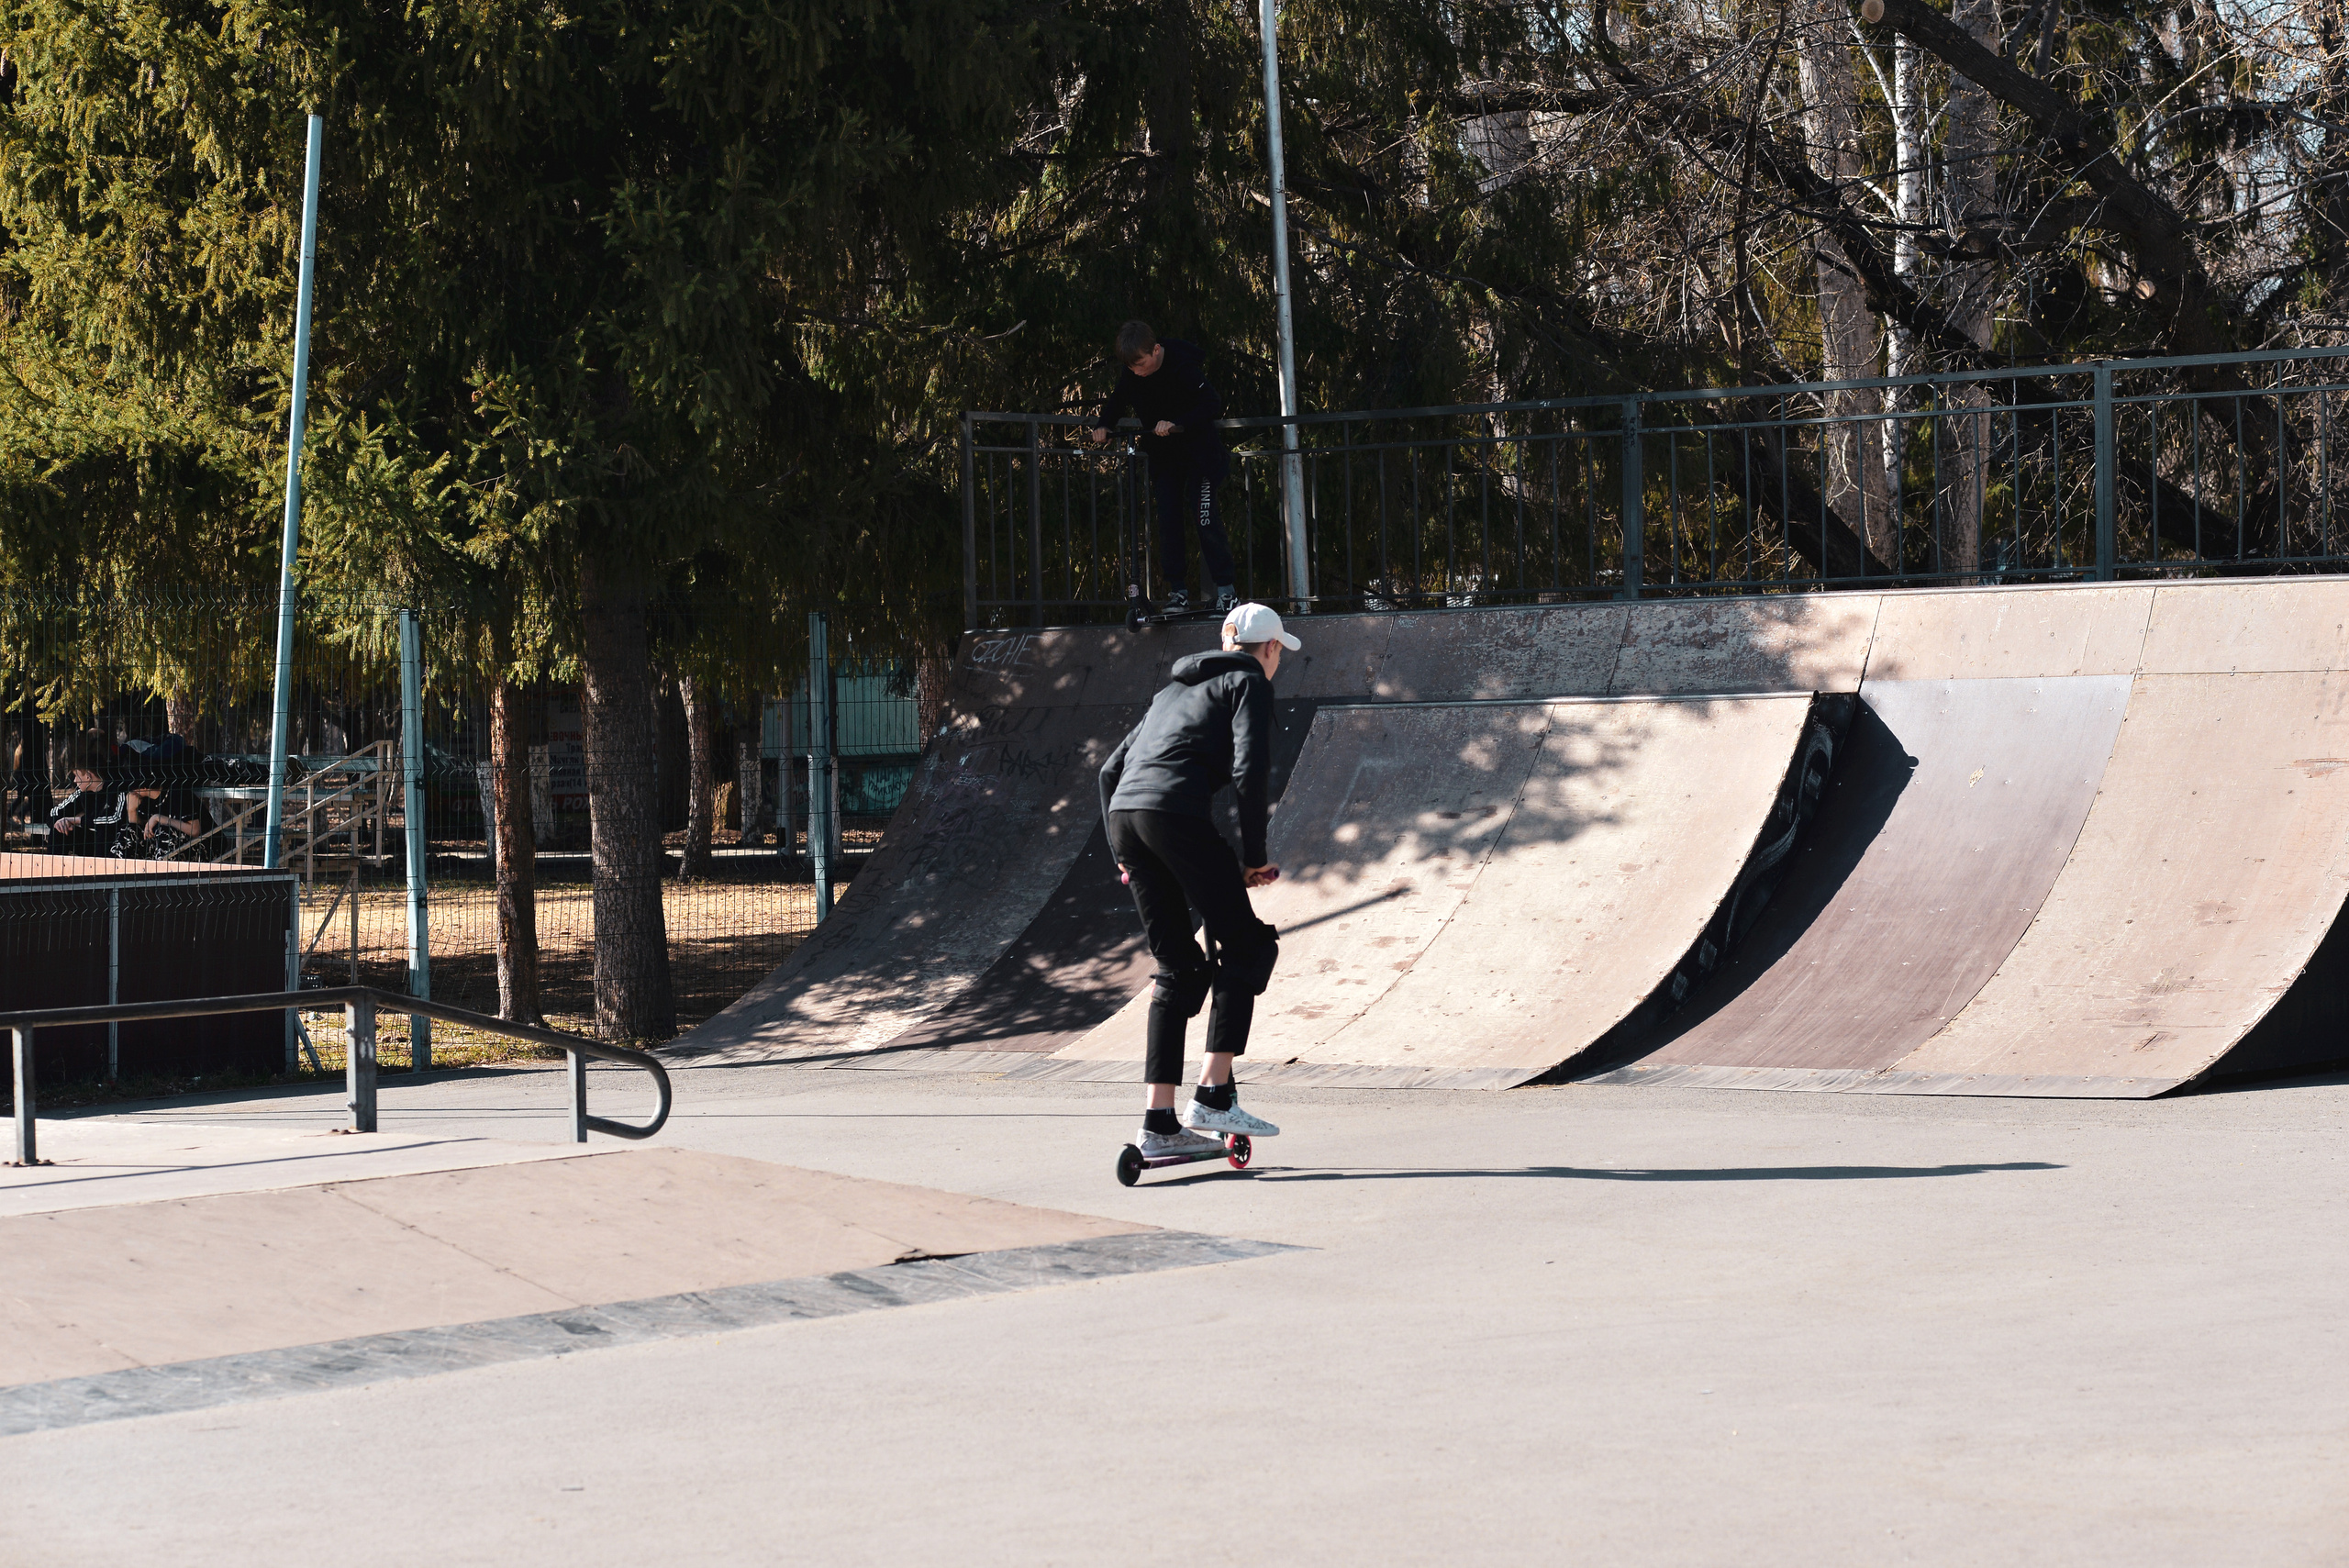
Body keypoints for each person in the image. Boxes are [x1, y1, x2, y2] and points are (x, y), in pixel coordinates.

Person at [1097, 601, 1300, 1160]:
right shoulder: (1250, 682)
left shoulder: (1171, 692)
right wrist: (1254, 857)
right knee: (1249, 944)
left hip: (1126, 821)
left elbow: (1109, 771)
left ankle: (1159, 1124)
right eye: (1279, 652)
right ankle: (1212, 1093)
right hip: (1175, 818)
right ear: (1271, 648)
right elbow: (1249, 769)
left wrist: (1122, 851)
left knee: (1180, 969)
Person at [1084, 320, 1238, 616]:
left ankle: (1227, 593)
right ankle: (1178, 592)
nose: (1136, 371)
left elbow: (1211, 402)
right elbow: (1118, 399)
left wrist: (1178, 423)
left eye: (1140, 364)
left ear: (1156, 350)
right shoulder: (1133, 372)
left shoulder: (1183, 365)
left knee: (1204, 518)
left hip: (1201, 456)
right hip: (1166, 459)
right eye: (1131, 367)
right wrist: (1104, 425)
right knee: (1168, 521)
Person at [45, 745, 124, 857]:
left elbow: (115, 819)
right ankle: (53, 872)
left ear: (88, 776)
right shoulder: (82, 792)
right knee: (59, 829)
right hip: (91, 842)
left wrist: (78, 820)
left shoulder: (118, 788)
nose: (75, 780)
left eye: (77, 776)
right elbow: (54, 813)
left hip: (112, 843)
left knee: (102, 833)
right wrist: (59, 823)